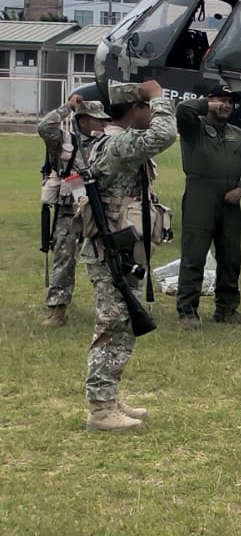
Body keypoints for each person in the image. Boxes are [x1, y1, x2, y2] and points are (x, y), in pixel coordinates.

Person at [81, 79, 175, 431]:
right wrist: (160, 97)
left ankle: (110, 397)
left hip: (121, 248)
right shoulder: (119, 143)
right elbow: (164, 135)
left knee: (123, 325)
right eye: (146, 108)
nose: (151, 114)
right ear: (136, 109)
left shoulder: (116, 142)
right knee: (111, 324)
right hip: (109, 252)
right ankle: (100, 409)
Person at [173, 85, 241, 330]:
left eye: (230, 102)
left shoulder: (237, 134)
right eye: (221, 100)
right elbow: (182, 110)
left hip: (230, 200)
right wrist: (206, 104)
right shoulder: (194, 127)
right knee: (194, 255)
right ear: (209, 101)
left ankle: (227, 308)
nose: (226, 105)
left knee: (231, 257)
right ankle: (188, 312)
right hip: (200, 194)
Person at [38, 94, 109, 327]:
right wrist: (67, 108)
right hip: (69, 210)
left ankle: (109, 308)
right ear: (82, 121)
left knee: (106, 259)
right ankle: (57, 309)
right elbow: (44, 126)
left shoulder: (108, 144)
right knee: (64, 259)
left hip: (100, 209)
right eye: (97, 120)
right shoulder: (63, 142)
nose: (103, 124)